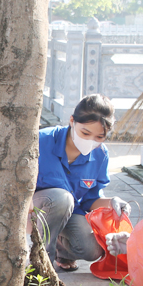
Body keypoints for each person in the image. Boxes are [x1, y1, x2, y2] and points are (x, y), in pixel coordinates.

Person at [34, 94, 129, 271]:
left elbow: (89, 200)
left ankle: (61, 252)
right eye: (85, 133)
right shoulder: (41, 141)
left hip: (68, 213)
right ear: (72, 121)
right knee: (62, 198)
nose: (90, 141)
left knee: (93, 249)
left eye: (99, 137)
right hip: (33, 211)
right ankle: (41, 264)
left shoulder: (100, 155)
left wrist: (112, 202)